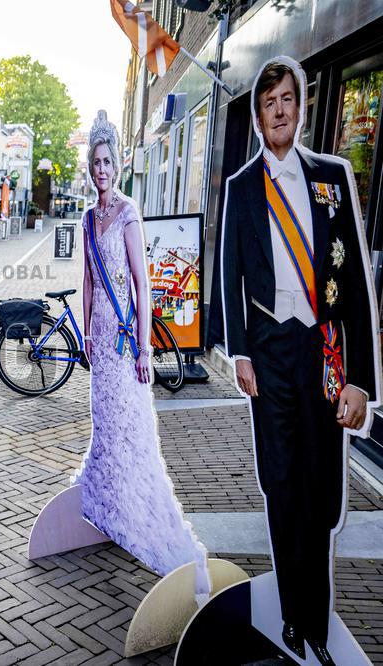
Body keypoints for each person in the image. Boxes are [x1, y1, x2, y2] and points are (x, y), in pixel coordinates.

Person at [220, 57, 379, 665]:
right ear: (259, 116)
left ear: (301, 106)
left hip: (325, 349)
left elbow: (358, 286)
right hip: (271, 354)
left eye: (287, 99)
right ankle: (298, 616)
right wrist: (238, 350)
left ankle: (315, 609)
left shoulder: (332, 177)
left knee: (321, 485)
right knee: (282, 483)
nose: (279, 111)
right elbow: (229, 274)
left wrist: (360, 379)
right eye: (268, 103)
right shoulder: (240, 188)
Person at [72, 111, 211, 606]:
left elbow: (141, 281)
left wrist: (146, 346)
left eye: (108, 161)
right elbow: (89, 280)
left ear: (118, 165)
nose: (102, 169)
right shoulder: (89, 219)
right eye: (96, 162)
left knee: (130, 427)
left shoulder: (129, 213)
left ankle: (137, 512)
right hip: (100, 338)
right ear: (90, 167)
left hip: (127, 337)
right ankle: (108, 505)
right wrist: (87, 332)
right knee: (104, 424)